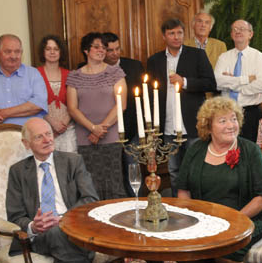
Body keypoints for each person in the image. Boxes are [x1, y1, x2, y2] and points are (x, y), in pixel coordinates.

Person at [6, 117, 119, 263]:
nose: (47, 139)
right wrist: (32, 225)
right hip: (40, 235)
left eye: (49, 133)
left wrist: (63, 219)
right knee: (57, 234)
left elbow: (90, 199)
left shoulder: (72, 161)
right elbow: (15, 215)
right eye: (39, 137)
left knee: (61, 235)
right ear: (26, 144)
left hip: (73, 228)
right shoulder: (18, 171)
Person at [175, 97, 262, 263]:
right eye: (222, 121)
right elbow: (183, 190)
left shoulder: (249, 150)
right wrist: (188, 218)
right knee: (177, 246)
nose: (231, 125)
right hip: (203, 220)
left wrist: (233, 220)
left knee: (224, 249)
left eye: (233, 119)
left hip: (245, 219)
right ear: (208, 126)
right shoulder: (196, 149)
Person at [146, 18, 217, 192]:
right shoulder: (155, 60)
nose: (176, 37)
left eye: (179, 33)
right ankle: (178, 204)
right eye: (171, 33)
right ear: (164, 36)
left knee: (196, 169)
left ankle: (198, 204)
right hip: (168, 126)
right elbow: (151, 94)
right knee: (174, 171)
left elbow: (211, 83)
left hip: (192, 124)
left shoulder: (197, 55)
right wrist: (153, 127)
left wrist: (184, 81)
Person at [67, 32, 128, 201]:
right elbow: (72, 108)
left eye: (103, 47)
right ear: (86, 50)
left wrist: (100, 129)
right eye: (96, 47)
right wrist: (93, 128)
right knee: (90, 183)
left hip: (111, 137)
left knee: (114, 182)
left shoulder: (115, 73)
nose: (101, 50)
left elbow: (121, 104)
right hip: (85, 138)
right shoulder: (75, 76)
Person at [102, 32, 145, 196]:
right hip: (106, 129)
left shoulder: (134, 66)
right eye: (110, 50)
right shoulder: (93, 68)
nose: (115, 53)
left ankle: (137, 200)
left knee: (132, 168)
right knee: (111, 171)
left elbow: (143, 98)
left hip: (132, 127)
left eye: (117, 49)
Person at [0, 33, 47, 126]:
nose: (13, 56)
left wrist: (3, 113)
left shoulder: (33, 74)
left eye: (17, 52)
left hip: (28, 132)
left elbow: (38, 104)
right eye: (8, 52)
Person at [214, 20, 262, 142]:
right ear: (231, 34)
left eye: (242, 29)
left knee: (249, 150)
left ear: (250, 34)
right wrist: (246, 79)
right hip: (226, 112)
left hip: (250, 113)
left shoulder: (259, 57)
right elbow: (217, 82)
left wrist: (231, 83)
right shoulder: (224, 57)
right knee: (227, 148)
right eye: (235, 29)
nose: (238, 31)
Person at [36, 35, 77, 153]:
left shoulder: (70, 75)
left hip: (67, 130)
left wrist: (64, 124)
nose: (52, 52)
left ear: (61, 52)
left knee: (69, 162)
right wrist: (53, 124)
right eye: (48, 49)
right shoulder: (35, 74)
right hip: (44, 129)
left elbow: (75, 102)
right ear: (43, 52)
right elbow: (34, 103)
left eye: (56, 49)